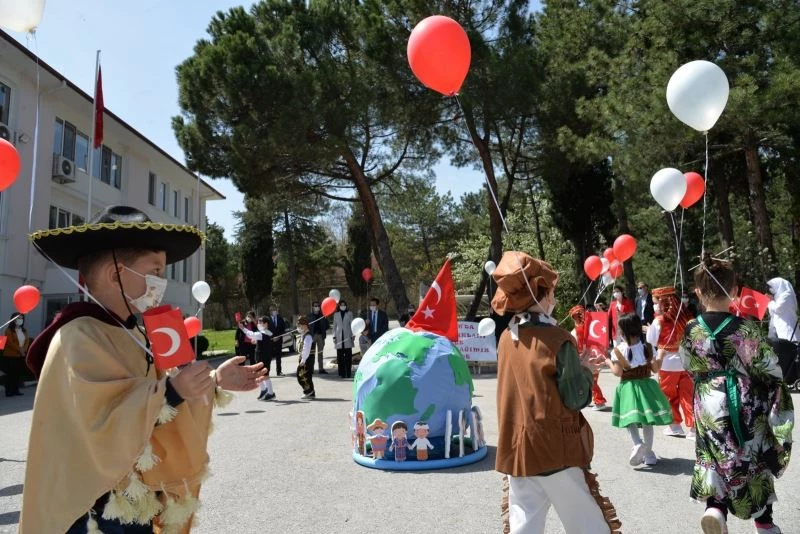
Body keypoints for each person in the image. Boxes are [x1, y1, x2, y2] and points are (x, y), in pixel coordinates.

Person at [20, 205, 266, 533]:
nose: (161, 283)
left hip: (138, 495)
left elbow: (161, 392)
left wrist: (214, 381)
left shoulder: (135, 333)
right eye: (156, 271)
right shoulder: (78, 336)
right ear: (115, 274)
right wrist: (172, 391)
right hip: (93, 507)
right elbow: (102, 418)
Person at [492, 251, 621, 534]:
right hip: (556, 449)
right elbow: (576, 397)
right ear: (541, 295)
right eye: (550, 292)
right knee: (588, 525)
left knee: (524, 525)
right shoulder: (558, 338)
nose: (554, 298)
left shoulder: (505, 338)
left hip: (518, 450)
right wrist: (585, 370)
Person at [680, 254, 793, 534]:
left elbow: (688, 364)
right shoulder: (744, 328)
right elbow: (768, 366)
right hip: (744, 400)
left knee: (713, 454)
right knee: (751, 455)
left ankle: (715, 509)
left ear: (698, 292)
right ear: (734, 291)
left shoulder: (692, 328)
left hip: (708, 401)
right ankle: (764, 523)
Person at [604, 313, 673, 467]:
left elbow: (617, 372)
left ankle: (637, 444)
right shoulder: (647, 347)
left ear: (622, 332)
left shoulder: (618, 351)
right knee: (647, 422)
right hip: (647, 387)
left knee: (630, 419)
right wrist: (661, 355)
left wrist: (608, 361)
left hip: (628, 389)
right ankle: (648, 454)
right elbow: (655, 369)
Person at [646, 286, 695, 439]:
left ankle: (674, 426)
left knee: (668, 395)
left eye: (656, 303)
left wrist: (649, 329)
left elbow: (650, 340)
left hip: (667, 363)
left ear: (663, 303)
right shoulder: (686, 317)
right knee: (688, 395)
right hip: (687, 362)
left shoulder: (659, 320)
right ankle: (694, 428)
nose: (655, 306)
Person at [569, 305, 607, 410]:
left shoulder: (576, 331)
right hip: (594, 355)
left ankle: (600, 402)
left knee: (591, 381)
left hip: (586, 358)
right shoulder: (591, 326)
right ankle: (589, 399)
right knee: (590, 380)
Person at [240, 316, 276, 401]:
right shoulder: (267, 333)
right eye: (258, 322)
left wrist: (243, 328)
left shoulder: (262, 333)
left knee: (265, 375)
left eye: (260, 322)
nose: (258, 324)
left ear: (266, 324)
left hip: (264, 358)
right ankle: (264, 390)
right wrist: (256, 341)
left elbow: (251, 334)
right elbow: (262, 341)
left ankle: (271, 393)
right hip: (261, 357)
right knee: (257, 374)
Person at [2, 313, 31, 396]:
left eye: (21, 318)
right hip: (10, 355)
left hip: (20, 355)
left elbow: (27, 341)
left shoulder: (24, 330)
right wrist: (19, 350)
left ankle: (16, 390)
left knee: (17, 373)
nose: (20, 320)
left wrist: (24, 350)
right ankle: (8, 391)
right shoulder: (8, 331)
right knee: (10, 374)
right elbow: (10, 343)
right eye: (18, 318)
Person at [766, 277, 798, 342]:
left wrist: (770, 301)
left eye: (772, 286)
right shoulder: (778, 297)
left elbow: (778, 308)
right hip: (781, 329)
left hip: (788, 329)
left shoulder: (787, 295)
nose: (770, 289)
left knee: (791, 345)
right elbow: (773, 313)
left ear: (779, 285)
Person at [307, 301, 330, 374]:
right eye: (315, 306)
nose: (317, 307)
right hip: (312, 336)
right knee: (312, 354)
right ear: (312, 307)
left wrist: (325, 319)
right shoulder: (309, 316)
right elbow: (306, 327)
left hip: (320, 336)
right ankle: (311, 369)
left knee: (320, 353)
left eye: (318, 306)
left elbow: (327, 326)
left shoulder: (322, 315)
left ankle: (321, 369)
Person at [333, 300, 354, 378]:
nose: (343, 306)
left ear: (346, 306)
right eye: (341, 305)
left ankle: (348, 372)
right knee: (340, 357)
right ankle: (341, 373)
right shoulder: (336, 314)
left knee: (348, 356)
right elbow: (334, 327)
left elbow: (352, 325)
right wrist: (334, 336)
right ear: (339, 306)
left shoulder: (349, 313)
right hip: (339, 337)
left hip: (347, 336)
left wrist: (353, 334)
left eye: (344, 305)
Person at [296, 317, 315, 399]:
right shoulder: (303, 335)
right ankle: (311, 392)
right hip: (305, 358)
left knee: (302, 375)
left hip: (307, 359)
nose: (298, 327)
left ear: (305, 326)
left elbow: (306, 349)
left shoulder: (308, 336)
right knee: (307, 375)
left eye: (300, 325)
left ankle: (308, 391)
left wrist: (303, 360)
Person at [266, 305, 287, 376]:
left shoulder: (280, 319)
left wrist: (278, 337)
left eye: (275, 309)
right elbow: (265, 330)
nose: (274, 311)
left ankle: (279, 371)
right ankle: (267, 372)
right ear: (270, 311)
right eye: (272, 310)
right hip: (270, 341)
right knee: (269, 356)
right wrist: (272, 337)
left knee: (278, 356)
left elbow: (283, 329)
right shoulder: (267, 319)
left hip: (279, 340)